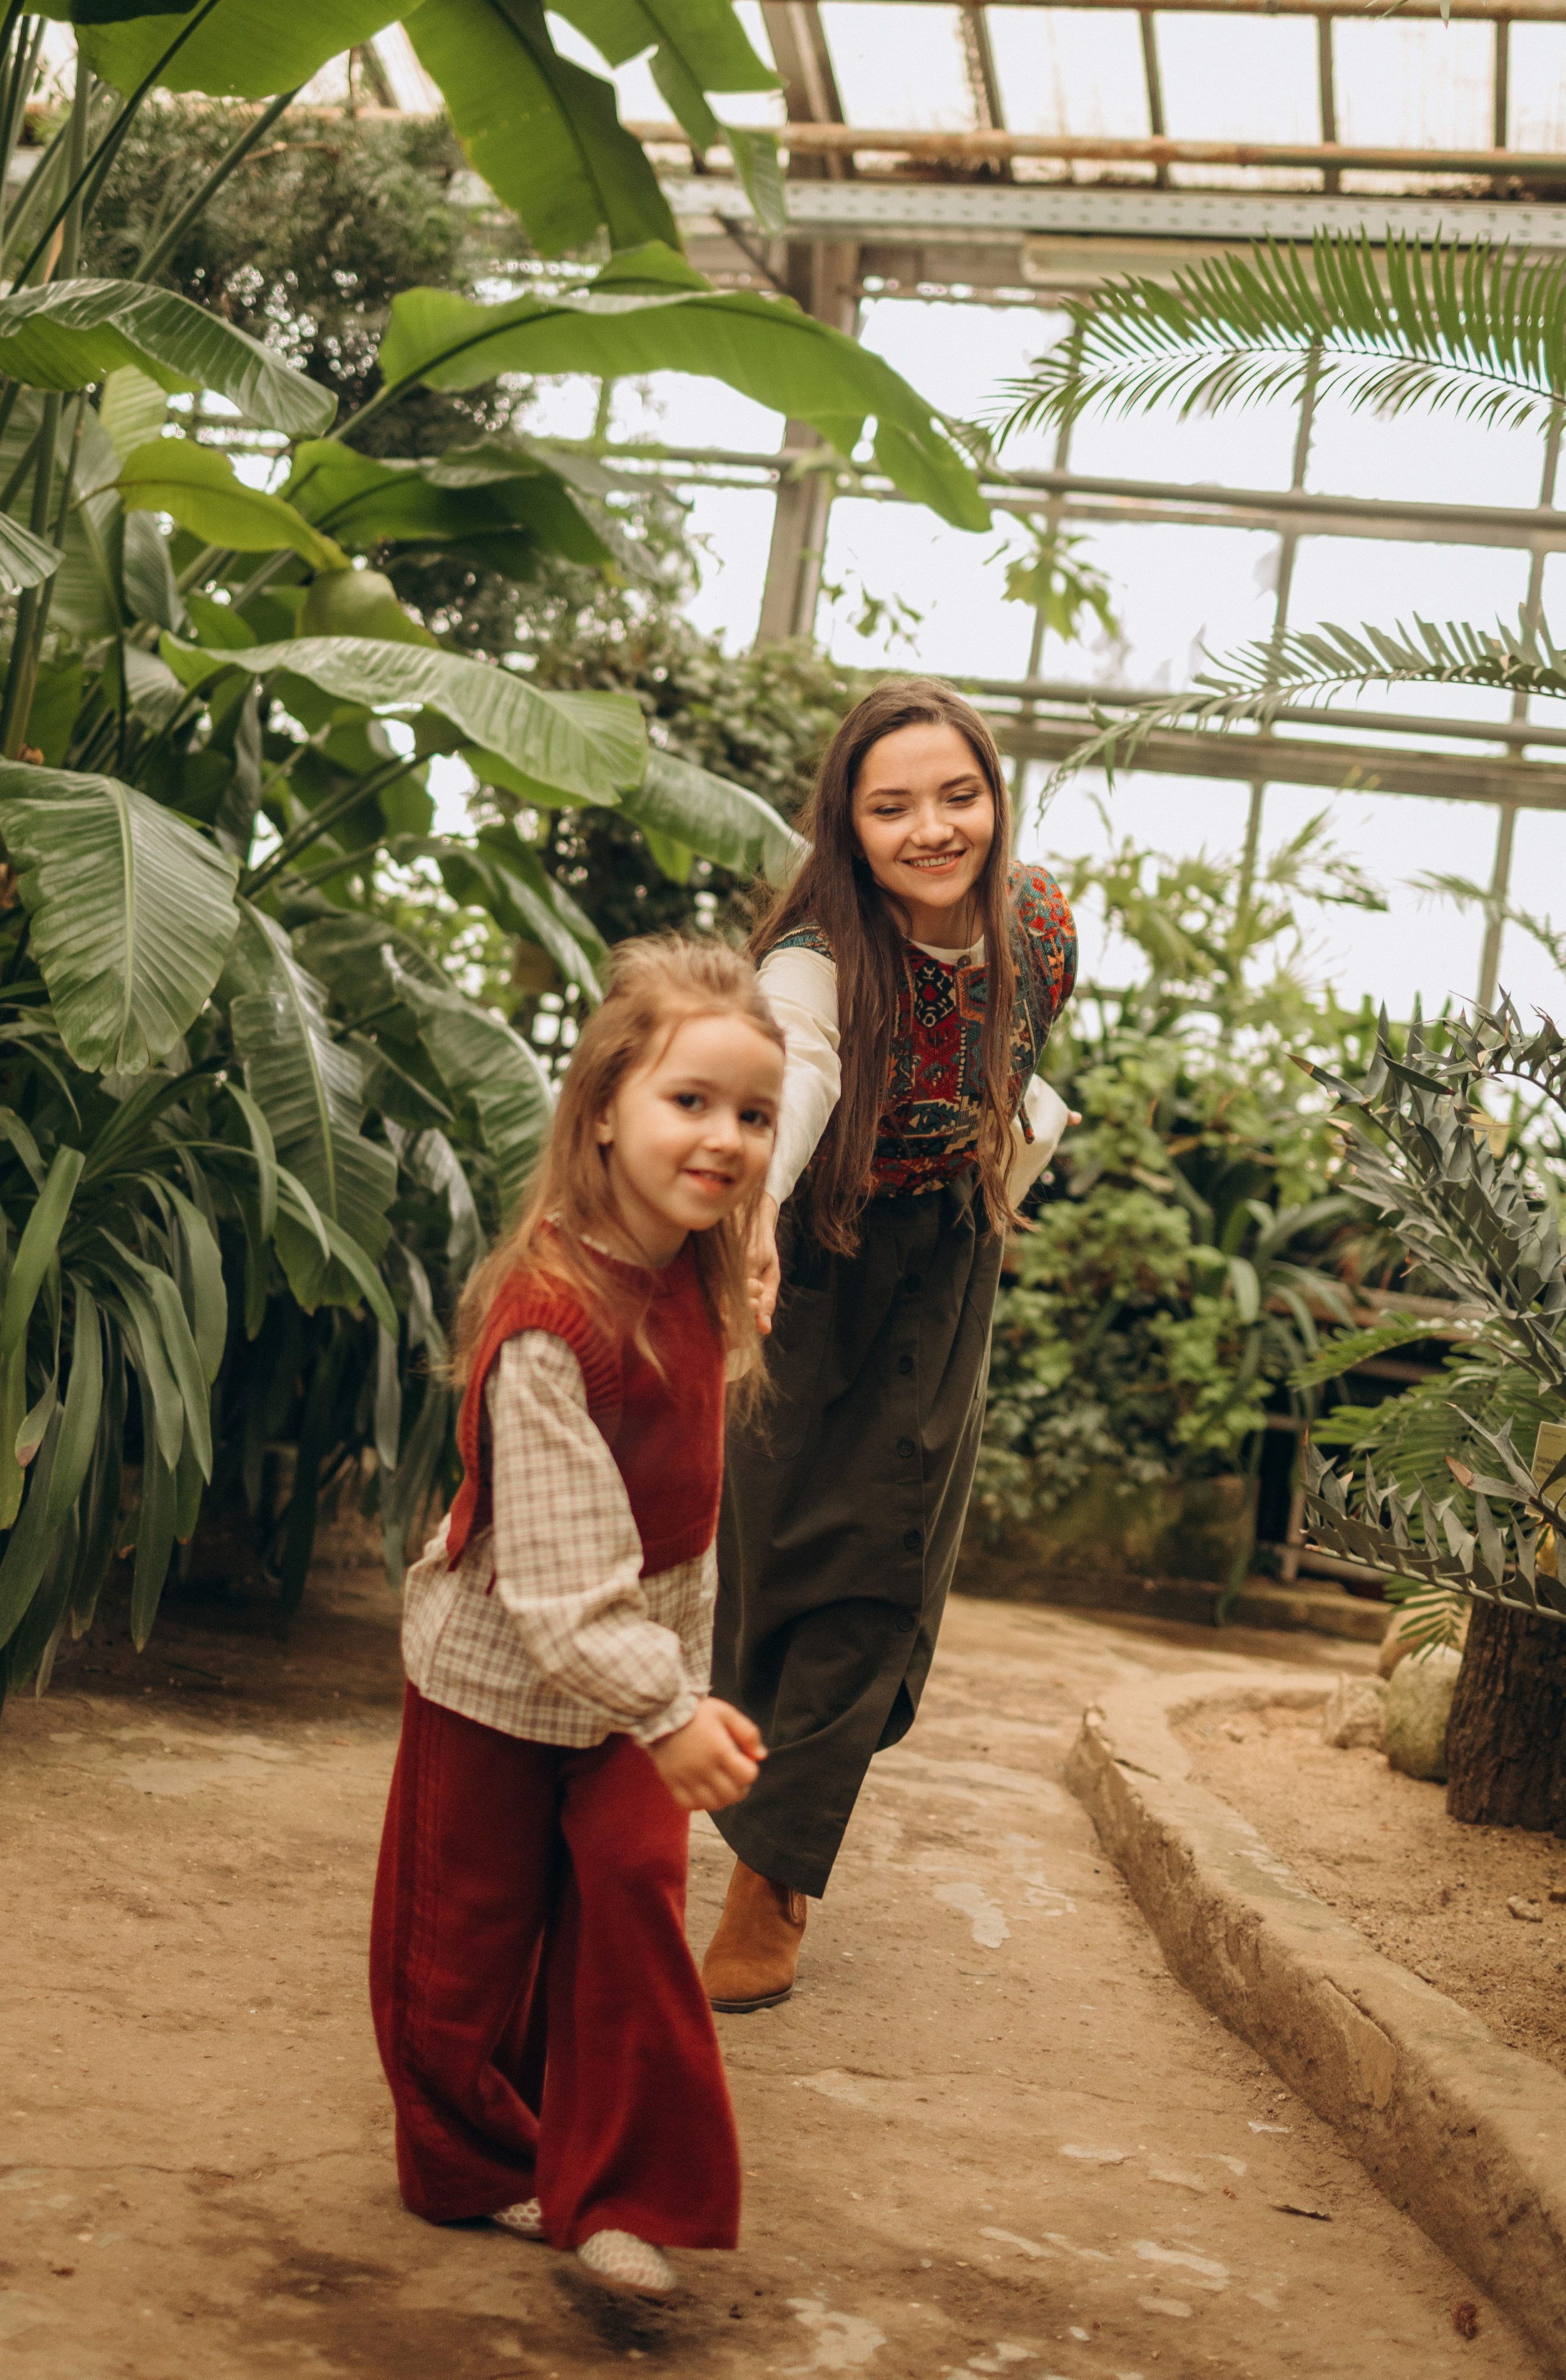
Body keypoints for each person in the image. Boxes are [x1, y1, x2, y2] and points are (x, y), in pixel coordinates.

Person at [368, 935, 785, 2300]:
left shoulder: (704, 1271)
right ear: (602, 1104)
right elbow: (556, 1582)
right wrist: (668, 1710)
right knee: (461, 1943)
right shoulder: (553, 1322)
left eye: (753, 1115)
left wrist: (659, 1701)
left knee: (630, 1901)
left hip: (634, 1685)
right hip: (506, 1671)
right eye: (690, 1103)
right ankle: (475, 2160)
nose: (723, 1138)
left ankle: (616, 2195)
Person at [701, 679, 1077, 2013]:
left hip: (946, 1264)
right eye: (894, 806)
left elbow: (1021, 1051)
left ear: (994, 796)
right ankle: (758, 1798)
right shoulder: (813, 951)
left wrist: (1009, 1152)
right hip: (811, 1263)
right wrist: (750, 1217)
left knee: (881, 1561)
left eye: (958, 795)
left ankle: (775, 1875)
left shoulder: (1039, 922)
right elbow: (795, 1072)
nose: (934, 828)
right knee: (772, 1547)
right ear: (849, 826)